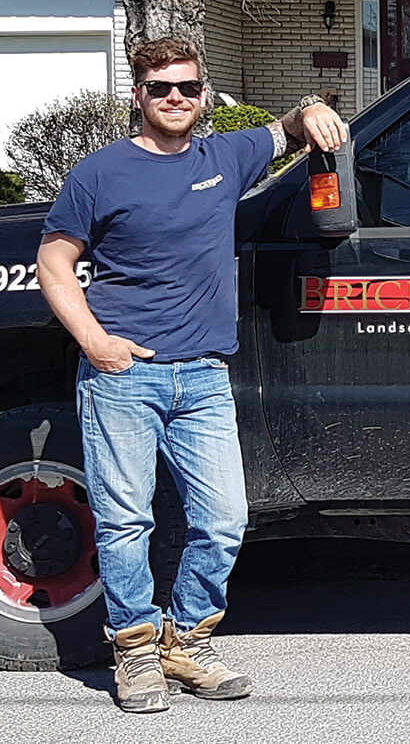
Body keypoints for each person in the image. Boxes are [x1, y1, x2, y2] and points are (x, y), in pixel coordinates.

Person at [36, 36, 349, 713]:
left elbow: (289, 129)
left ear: (205, 96)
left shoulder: (224, 155)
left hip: (204, 377)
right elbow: (54, 263)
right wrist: (96, 342)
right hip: (124, 377)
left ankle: (187, 640)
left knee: (225, 519)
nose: (174, 97)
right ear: (138, 96)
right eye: (160, 88)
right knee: (125, 524)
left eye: (187, 87)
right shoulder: (100, 173)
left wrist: (313, 110)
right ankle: (135, 654)